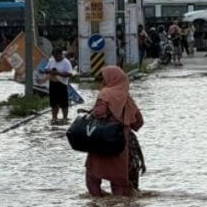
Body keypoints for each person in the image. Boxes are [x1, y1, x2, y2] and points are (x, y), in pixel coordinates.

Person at [85, 66, 144, 197]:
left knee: (93, 175)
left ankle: (98, 202)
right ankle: (119, 206)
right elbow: (138, 122)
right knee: (118, 179)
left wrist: (91, 114)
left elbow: (99, 113)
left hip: (101, 139)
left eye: (103, 78)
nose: (102, 81)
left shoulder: (105, 93)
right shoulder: (126, 97)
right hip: (121, 143)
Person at [44, 48, 74, 123]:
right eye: (54, 56)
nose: (55, 58)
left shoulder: (66, 62)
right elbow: (46, 69)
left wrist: (58, 73)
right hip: (52, 83)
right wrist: (50, 71)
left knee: (64, 102)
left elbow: (70, 74)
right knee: (53, 102)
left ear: (61, 54)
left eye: (57, 56)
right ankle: (54, 117)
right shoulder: (51, 60)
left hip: (62, 84)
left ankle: (65, 118)